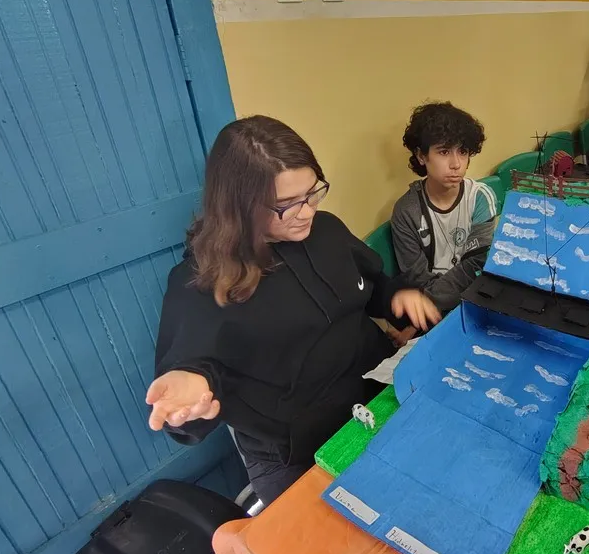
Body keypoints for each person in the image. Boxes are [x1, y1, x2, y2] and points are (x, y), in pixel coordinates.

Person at [146, 116, 441, 505]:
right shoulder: (202, 281)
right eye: (286, 205)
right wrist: (190, 390)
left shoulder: (326, 229)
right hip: (297, 452)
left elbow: (371, 287)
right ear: (239, 207)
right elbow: (192, 370)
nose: (306, 212)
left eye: (312, 192)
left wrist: (396, 297)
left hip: (377, 398)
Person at [391, 102, 497, 327]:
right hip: (430, 313)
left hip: (468, 300)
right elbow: (416, 278)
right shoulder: (407, 211)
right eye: (444, 151)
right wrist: (425, 313)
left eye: (463, 152)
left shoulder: (480, 197)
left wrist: (428, 303)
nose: (456, 164)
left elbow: (476, 265)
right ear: (421, 156)